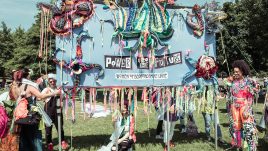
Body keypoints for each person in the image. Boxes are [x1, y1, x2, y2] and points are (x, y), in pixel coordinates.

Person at [13, 68, 60, 151]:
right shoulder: (29, 86)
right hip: (30, 115)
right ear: (27, 76)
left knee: (24, 138)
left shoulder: (16, 86)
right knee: (35, 137)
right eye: (29, 76)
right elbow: (40, 96)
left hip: (19, 114)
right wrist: (55, 93)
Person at [224, 60, 259, 151]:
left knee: (248, 128)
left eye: (237, 72)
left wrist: (247, 109)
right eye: (234, 72)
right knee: (236, 127)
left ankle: (251, 148)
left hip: (244, 106)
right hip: (234, 107)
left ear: (242, 71)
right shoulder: (232, 82)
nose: (235, 73)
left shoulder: (247, 82)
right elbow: (229, 94)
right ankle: (238, 146)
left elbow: (250, 98)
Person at [41, 73, 68, 150]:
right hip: (48, 111)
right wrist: (51, 94)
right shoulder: (46, 89)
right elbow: (40, 97)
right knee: (48, 129)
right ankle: (49, 143)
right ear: (48, 82)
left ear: (56, 81)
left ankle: (62, 141)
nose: (52, 83)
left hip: (58, 111)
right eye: (51, 81)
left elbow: (63, 98)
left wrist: (62, 100)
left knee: (60, 127)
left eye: (54, 81)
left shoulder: (59, 89)